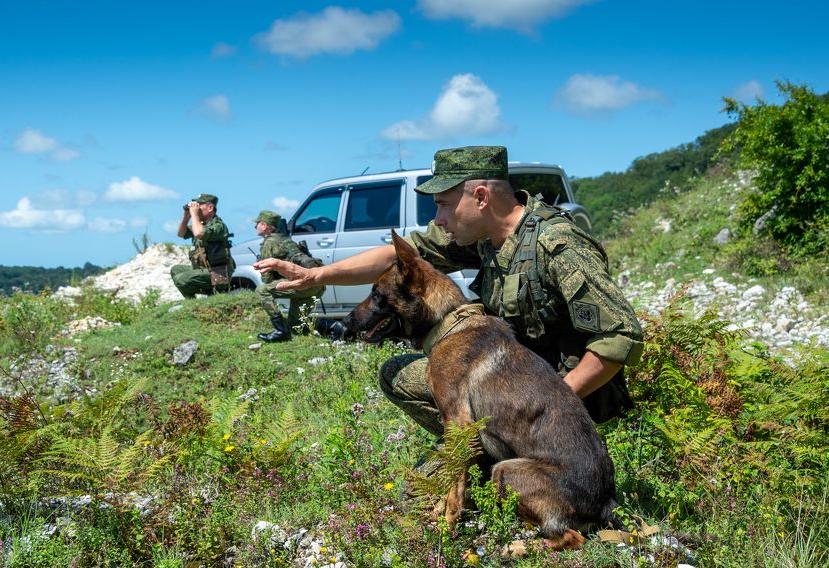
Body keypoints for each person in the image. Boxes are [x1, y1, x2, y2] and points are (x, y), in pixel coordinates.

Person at [254, 146, 643, 431]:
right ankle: (477, 447)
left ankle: (483, 452)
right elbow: (398, 255)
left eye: (442, 205)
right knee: (398, 373)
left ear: (481, 197)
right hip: (514, 387)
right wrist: (317, 276)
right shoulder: (484, 238)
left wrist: (556, 403)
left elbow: (619, 334)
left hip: (568, 407)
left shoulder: (556, 244)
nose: (437, 219)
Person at [252, 210, 326, 342]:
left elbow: (266, 278)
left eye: (257, 223)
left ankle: (280, 331)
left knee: (262, 290)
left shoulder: (269, 242)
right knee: (295, 325)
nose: (255, 226)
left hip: (302, 284)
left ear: (264, 225)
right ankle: (332, 327)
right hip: (316, 285)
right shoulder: (286, 239)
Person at [171, 193, 234, 299]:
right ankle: (192, 301)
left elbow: (199, 233)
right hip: (205, 270)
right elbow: (181, 234)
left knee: (180, 279)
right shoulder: (200, 224)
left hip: (218, 274)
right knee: (176, 270)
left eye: (199, 205)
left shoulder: (218, 226)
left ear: (210, 208)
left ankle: (209, 296)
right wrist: (186, 216)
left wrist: (194, 215)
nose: (196, 208)